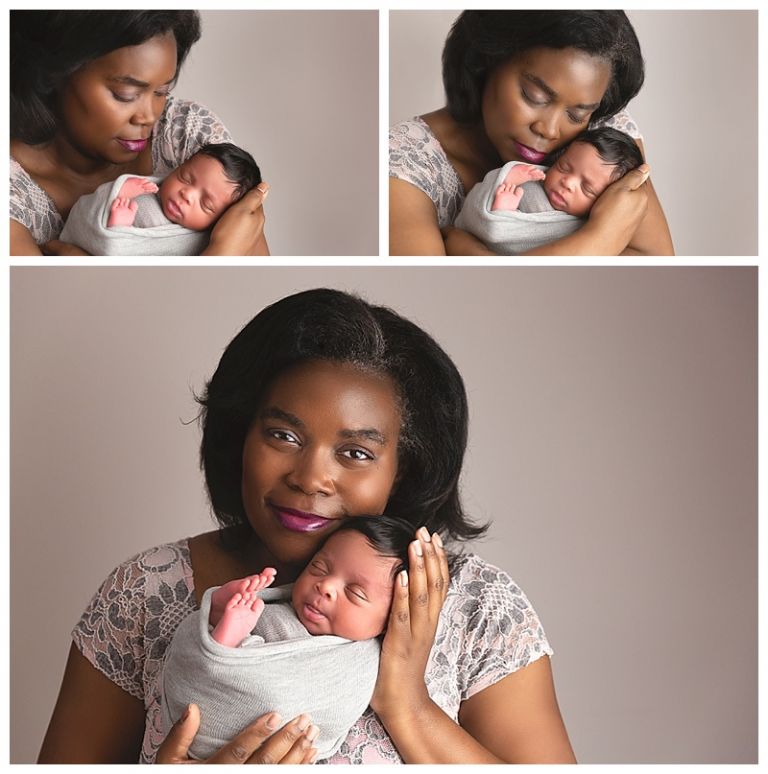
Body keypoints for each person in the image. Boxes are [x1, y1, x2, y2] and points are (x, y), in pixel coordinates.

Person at [38, 288, 577, 764]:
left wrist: (407, 706)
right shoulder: (143, 595)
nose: (311, 477)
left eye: (355, 452)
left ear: (404, 468)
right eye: (284, 436)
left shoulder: (476, 609)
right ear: (240, 436)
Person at [389, 10, 674, 256]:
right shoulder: (405, 165)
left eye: (576, 115)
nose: (549, 130)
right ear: (485, 61)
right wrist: (598, 238)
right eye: (534, 96)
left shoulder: (604, 137)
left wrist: (475, 254)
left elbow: (658, 262)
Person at [10, 10, 269, 256]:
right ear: (54, 75)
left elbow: (248, 244)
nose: (148, 117)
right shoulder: (12, 196)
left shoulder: (186, 135)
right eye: (126, 95)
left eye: (161, 93)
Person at [161, 516, 413, 761]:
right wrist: (222, 620)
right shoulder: (277, 614)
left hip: (256, 725)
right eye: (319, 568)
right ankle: (223, 629)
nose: (325, 586)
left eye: (355, 592)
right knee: (242, 617)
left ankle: (227, 642)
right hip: (200, 707)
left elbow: (312, 704)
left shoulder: (363, 662)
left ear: (392, 617)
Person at [454, 126, 644, 254]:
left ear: (605, 200)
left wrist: (504, 215)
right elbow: (478, 216)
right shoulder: (533, 180)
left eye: (587, 188)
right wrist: (508, 182)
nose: (567, 182)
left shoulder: (583, 228)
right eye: (564, 167)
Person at [59, 142, 262, 255]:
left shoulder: (196, 242)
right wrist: (121, 192)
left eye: (205, 204)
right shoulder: (149, 193)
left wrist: (119, 229)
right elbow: (89, 209)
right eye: (185, 178)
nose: (187, 194)